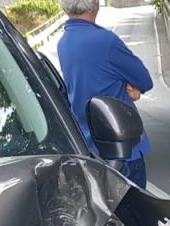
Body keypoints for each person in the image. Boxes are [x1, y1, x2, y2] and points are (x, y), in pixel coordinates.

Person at [56, 0, 154, 187]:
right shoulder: (105, 41)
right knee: (133, 212)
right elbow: (144, 81)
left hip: (89, 146)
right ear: (96, 6)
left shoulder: (64, 43)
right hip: (122, 146)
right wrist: (131, 88)